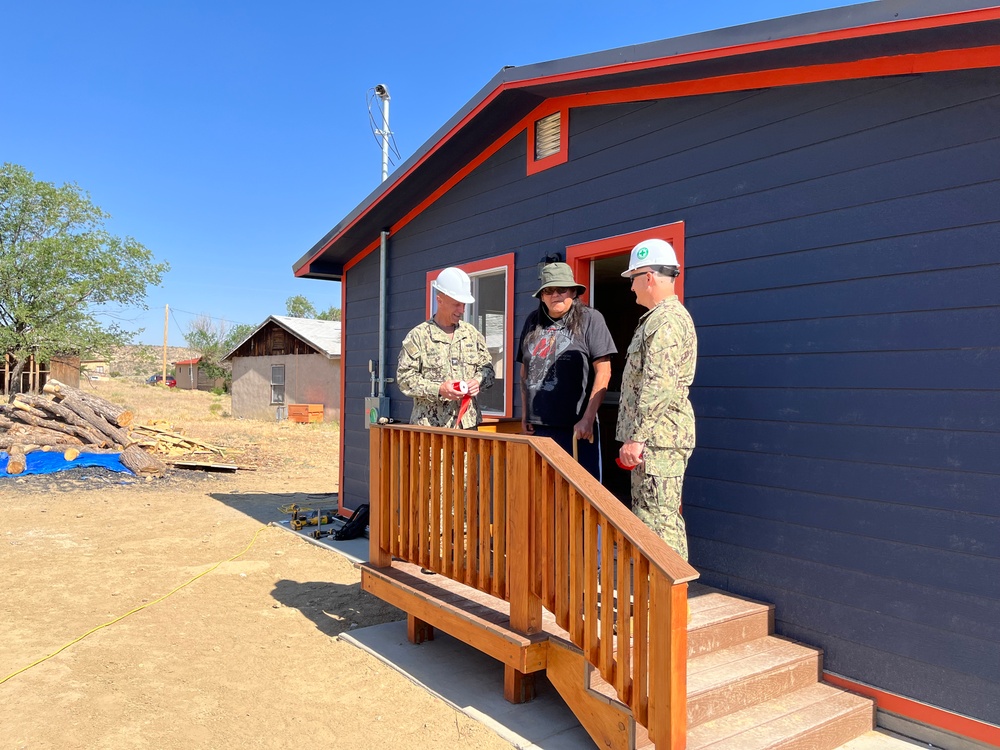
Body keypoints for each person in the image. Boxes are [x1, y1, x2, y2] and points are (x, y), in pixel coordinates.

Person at [616, 239, 697, 560]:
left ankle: (667, 603)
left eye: (633, 278)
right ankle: (662, 600)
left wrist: (637, 437)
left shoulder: (665, 322)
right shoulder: (660, 319)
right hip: (658, 440)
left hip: (658, 441)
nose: (632, 287)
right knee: (655, 518)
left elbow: (658, 383)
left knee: (658, 522)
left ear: (648, 277)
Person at [516, 262, 616, 480]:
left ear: (573, 292)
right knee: (543, 497)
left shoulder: (590, 318)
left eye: (561, 290)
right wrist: (525, 415)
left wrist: (588, 418)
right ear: (541, 295)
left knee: (583, 497)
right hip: (538, 429)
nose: (555, 295)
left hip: (577, 430)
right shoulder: (533, 321)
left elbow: (604, 371)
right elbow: (525, 370)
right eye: (549, 291)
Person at [396, 266, 495, 428]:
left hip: (467, 428)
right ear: (439, 300)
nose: (462, 310)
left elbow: (488, 371)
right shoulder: (419, 336)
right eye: (456, 304)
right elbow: (404, 379)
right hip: (431, 431)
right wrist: (439, 389)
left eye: (463, 304)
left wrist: (477, 381)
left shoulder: (472, 334)